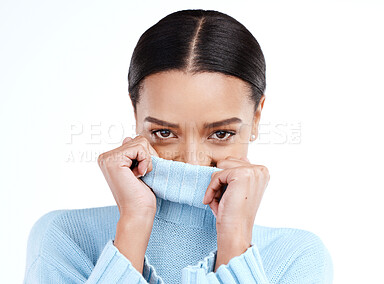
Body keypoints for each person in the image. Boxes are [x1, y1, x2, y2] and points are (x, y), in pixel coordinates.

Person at [24, 9, 333, 283]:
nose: (192, 161)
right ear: (135, 114)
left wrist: (235, 236)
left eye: (221, 134)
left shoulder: (298, 257)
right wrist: (133, 224)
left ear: (256, 116)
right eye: (164, 132)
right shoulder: (65, 237)